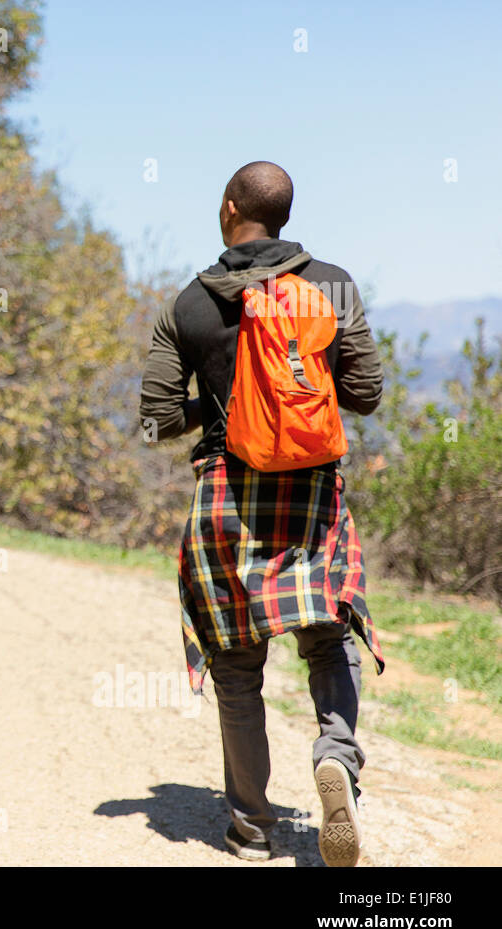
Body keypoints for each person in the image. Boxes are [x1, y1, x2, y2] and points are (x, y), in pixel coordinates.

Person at [139, 161, 386, 866]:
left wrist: (221, 402)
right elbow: (366, 393)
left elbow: (157, 420)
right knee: (328, 638)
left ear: (229, 208)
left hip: (227, 492)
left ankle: (251, 828)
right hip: (310, 491)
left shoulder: (188, 304)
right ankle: (335, 755)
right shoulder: (332, 285)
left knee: (238, 665)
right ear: (284, 213)